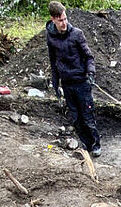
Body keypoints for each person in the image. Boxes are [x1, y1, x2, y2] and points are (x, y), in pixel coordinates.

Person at [46, 1, 101, 157]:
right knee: (76, 118)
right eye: (60, 20)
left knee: (88, 116)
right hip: (67, 83)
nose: (64, 23)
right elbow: (53, 61)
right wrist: (56, 84)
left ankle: (96, 145)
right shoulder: (50, 37)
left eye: (65, 19)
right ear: (53, 19)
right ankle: (86, 144)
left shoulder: (77, 34)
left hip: (82, 82)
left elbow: (89, 57)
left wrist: (91, 73)